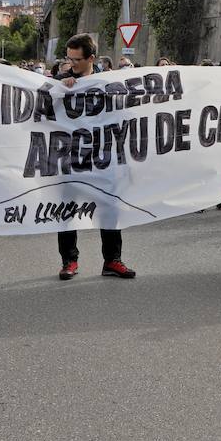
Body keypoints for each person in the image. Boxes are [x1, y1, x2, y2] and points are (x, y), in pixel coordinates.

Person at [54, 35, 137, 280]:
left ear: (92, 58)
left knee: (110, 208)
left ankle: (112, 260)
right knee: (67, 210)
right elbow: (43, 111)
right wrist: (60, 90)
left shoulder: (109, 82)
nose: (71, 64)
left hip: (104, 157)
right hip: (71, 158)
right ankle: (69, 261)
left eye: (76, 59)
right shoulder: (61, 82)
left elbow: (127, 112)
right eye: (68, 58)